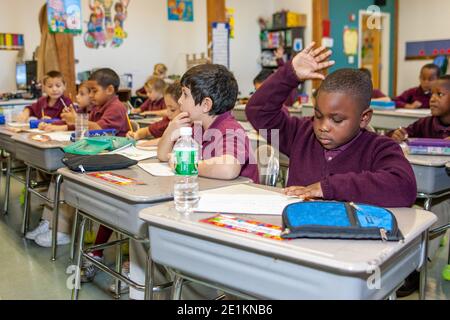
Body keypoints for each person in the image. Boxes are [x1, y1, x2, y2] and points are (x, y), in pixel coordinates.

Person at [246, 42, 417, 207]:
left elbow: (404, 186)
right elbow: (258, 112)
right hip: (299, 229)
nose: (323, 126)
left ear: (364, 118)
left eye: (337, 120)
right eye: (318, 115)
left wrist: (326, 188)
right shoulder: (300, 134)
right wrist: (290, 74)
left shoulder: (379, 148)